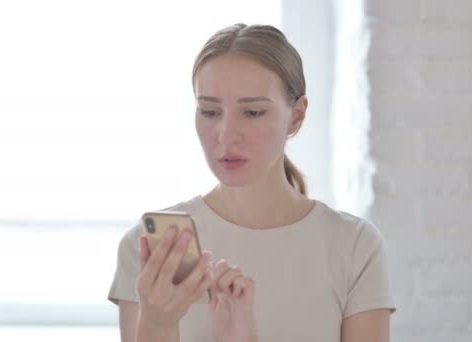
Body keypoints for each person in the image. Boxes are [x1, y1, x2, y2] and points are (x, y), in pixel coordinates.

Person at [108, 23, 396, 342]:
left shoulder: (354, 247)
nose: (226, 134)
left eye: (253, 112)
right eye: (209, 111)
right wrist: (158, 324)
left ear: (297, 116)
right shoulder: (152, 252)